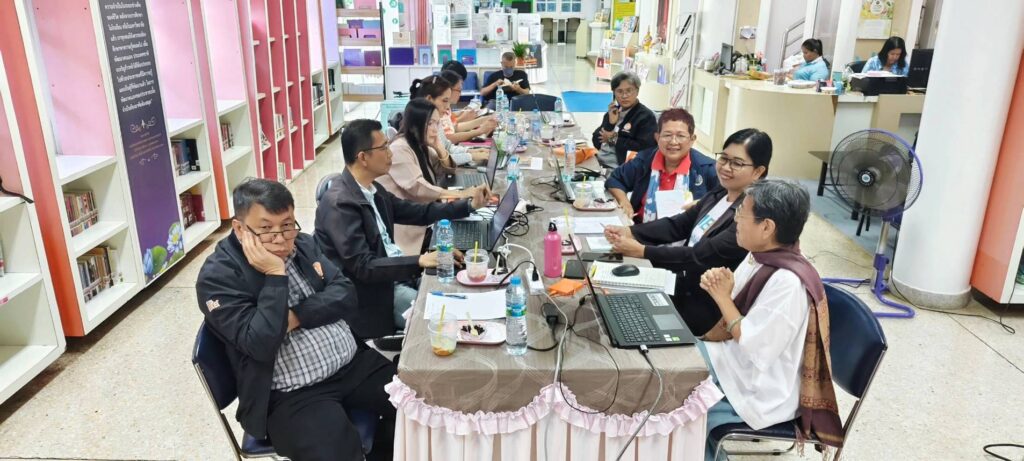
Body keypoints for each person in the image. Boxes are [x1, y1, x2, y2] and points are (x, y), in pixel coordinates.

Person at [197, 178, 396, 461]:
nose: (280, 239)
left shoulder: (302, 243)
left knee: (421, 404)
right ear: (240, 229)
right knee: (340, 453)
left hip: (352, 365)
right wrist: (275, 274)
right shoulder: (218, 277)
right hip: (292, 393)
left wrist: (295, 317)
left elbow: (345, 293)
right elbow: (262, 343)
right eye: (266, 229)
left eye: (287, 225)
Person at [698, 179, 843, 459]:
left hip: (758, 389)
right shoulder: (762, 256)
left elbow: (755, 347)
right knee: (671, 361)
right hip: (733, 363)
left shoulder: (788, 282)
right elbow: (738, 307)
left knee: (679, 402)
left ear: (766, 227)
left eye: (742, 213)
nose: (735, 220)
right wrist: (723, 285)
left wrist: (723, 298)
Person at [314, 119, 490, 338]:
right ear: (363, 157)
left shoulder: (371, 189)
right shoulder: (339, 205)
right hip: (375, 296)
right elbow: (364, 266)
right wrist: (419, 260)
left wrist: (469, 205)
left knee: (464, 291)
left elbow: (417, 212)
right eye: (383, 148)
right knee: (452, 322)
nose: (390, 153)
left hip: (397, 275)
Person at [603, 129, 772, 335]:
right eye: (724, 158)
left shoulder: (749, 215)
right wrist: (630, 231)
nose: (726, 167)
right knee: (612, 300)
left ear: (758, 171)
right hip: (680, 283)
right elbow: (679, 225)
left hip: (704, 307)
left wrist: (642, 251)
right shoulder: (721, 192)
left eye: (736, 163)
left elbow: (701, 256)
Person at [381, 98, 489, 254]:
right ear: (414, 124)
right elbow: (419, 187)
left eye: (437, 124)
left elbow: (447, 169)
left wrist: (439, 147)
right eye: (429, 123)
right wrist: (461, 194)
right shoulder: (399, 148)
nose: (434, 129)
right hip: (412, 228)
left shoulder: (420, 144)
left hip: (428, 216)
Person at [605, 108, 719, 223]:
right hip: (641, 228)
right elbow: (615, 179)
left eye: (680, 136)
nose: (673, 142)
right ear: (657, 137)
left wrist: (702, 205)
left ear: (692, 139)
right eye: (667, 135)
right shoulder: (644, 160)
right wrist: (625, 203)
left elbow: (723, 200)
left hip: (687, 232)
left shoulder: (707, 168)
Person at [410, 75, 491, 165]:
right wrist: (471, 156)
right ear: (429, 99)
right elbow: (438, 160)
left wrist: (470, 151)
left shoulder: (435, 121)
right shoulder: (421, 126)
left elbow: (447, 147)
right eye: (444, 101)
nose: (448, 107)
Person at [591, 71, 658, 168]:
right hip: (600, 162)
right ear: (614, 93)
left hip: (621, 168)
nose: (624, 96)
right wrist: (610, 124)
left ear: (637, 91)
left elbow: (645, 148)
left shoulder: (645, 116)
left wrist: (614, 139)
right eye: (619, 91)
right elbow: (596, 140)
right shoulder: (613, 112)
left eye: (629, 91)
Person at [437, 70, 498, 144]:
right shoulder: (438, 109)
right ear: (449, 89)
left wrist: (484, 120)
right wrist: (479, 131)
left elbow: (454, 127)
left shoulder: (446, 107)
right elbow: (449, 138)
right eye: (459, 90)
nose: (460, 94)